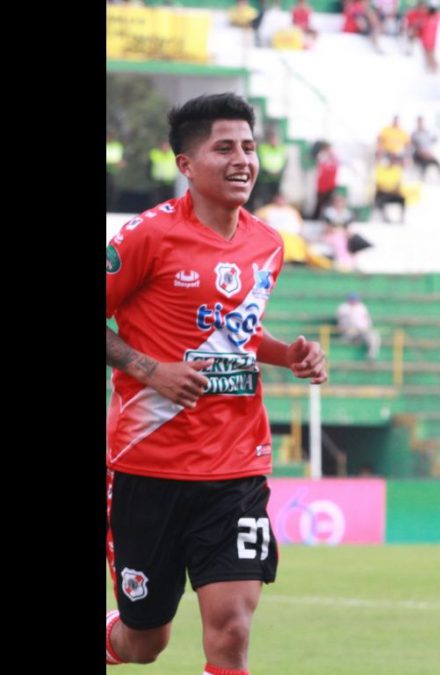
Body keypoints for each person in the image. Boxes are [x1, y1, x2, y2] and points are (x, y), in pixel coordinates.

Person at [104, 93, 328, 673]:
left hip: (236, 468)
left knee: (231, 630)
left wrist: (288, 354)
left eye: (248, 148)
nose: (243, 161)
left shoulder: (268, 244)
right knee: (144, 642)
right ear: (185, 164)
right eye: (224, 148)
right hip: (148, 465)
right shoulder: (145, 236)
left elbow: (238, 335)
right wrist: (150, 370)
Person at [336, 292, 382, 361]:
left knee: (374, 336)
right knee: (347, 338)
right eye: (352, 299)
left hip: (362, 330)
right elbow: (341, 321)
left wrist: (368, 327)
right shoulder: (343, 307)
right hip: (348, 331)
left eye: (355, 299)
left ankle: (371, 356)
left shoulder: (362, 307)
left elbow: (367, 319)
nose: (353, 301)